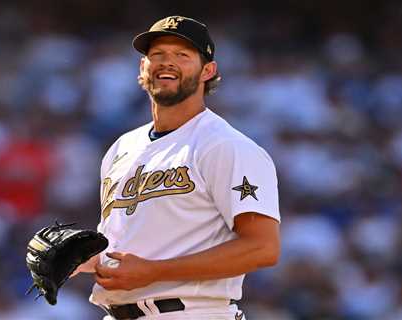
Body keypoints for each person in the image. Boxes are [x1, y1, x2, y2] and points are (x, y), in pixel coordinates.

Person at [73, 16, 281, 320]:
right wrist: (81, 259)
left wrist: (155, 272)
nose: (167, 62)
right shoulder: (122, 147)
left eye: (182, 55)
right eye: (157, 55)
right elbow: (126, 247)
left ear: (208, 70)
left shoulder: (224, 145)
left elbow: (262, 247)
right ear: (142, 68)